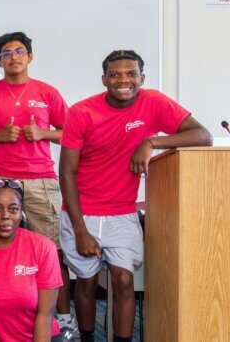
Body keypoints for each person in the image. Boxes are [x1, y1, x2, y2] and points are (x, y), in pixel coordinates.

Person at [59, 50, 212, 342]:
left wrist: (151, 141)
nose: (123, 80)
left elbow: (202, 135)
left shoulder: (153, 101)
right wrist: (80, 230)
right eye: (115, 74)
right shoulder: (81, 112)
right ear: (104, 79)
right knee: (87, 284)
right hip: (82, 213)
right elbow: (66, 172)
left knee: (125, 280)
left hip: (122, 213)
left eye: (131, 74)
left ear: (142, 78)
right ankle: (88, 338)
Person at [0, 31, 76, 337]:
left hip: (41, 181)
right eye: (5, 53)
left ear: (30, 56)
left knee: (52, 254)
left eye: (18, 51)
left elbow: (71, 133)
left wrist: (43, 134)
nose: (13, 57)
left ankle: (63, 322)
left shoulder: (47, 92)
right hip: (1, 182)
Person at [0, 179, 65, 341]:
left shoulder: (44, 247)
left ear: (21, 210)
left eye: (13, 209)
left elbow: (46, 314)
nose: (5, 216)